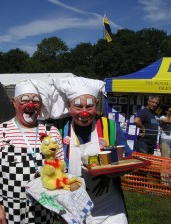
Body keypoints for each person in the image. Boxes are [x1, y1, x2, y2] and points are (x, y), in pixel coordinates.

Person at [0, 79, 64, 224]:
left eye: (36, 101)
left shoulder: (52, 133)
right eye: (24, 100)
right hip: (7, 213)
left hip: (43, 213)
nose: (30, 105)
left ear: (40, 106)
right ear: (14, 102)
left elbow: (59, 169)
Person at [50, 77, 132, 224]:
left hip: (108, 207)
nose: (84, 113)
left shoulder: (110, 127)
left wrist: (110, 173)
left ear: (97, 104)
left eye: (89, 107)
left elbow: (125, 156)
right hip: (73, 205)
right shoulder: (59, 129)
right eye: (78, 107)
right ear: (68, 106)